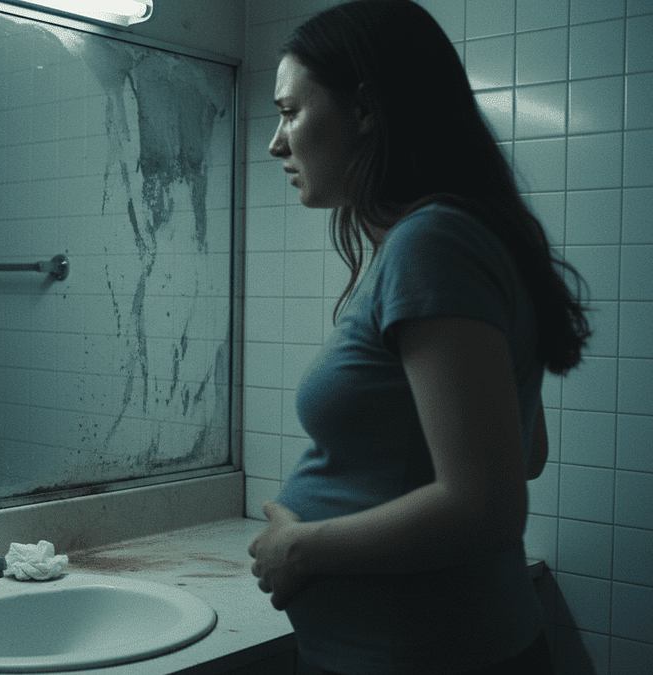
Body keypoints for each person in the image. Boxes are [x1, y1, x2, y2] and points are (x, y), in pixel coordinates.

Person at [246, 1, 588, 673]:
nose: (276, 143)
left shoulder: (432, 243)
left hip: (427, 655)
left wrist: (300, 547)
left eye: (290, 112)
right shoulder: (462, 234)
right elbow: (525, 452)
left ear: (364, 111)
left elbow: (487, 507)